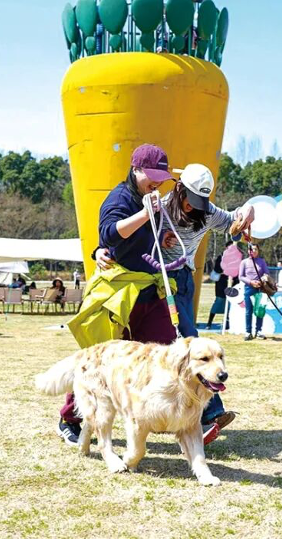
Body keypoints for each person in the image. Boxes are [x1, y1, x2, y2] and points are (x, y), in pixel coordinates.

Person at [59, 144, 186, 446]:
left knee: (163, 351)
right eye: (151, 176)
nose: (156, 182)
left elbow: (140, 238)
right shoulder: (121, 198)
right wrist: (144, 214)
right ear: (136, 169)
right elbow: (110, 235)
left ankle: (167, 415)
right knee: (98, 359)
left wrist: (162, 237)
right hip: (119, 294)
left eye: (161, 177)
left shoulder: (150, 198)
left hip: (148, 290)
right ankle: (70, 419)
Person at [157, 163, 253, 430]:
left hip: (185, 279)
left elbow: (233, 222)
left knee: (187, 342)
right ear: (179, 188)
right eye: (191, 199)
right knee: (185, 342)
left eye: (200, 201)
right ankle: (208, 413)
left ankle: (203, 414)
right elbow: (137, 238)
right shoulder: (160, 207)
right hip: (160, 281)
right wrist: (159, 240)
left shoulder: (207, 211)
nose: (194, 207)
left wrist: (248, 211)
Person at [239, 243, 270, 341]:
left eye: (256, 249)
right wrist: (251, 282)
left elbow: (266, 273)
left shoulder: (262, 261)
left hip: (260, 289)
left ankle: (259, 330)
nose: (254, 251)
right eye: (251, 249)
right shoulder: (244, 262)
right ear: (248, 251)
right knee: (249, 311)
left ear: (258, 250)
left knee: (260, 310)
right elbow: (241, 276)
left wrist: (261, 280)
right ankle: (248, 332)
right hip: (249, 289)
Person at [207, 243, 232, 330]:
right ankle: (209, 323)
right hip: (221, 284)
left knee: (229, 304)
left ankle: (227, 323)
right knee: (218, 302)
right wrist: (226, 271)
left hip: (230, 284)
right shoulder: (220, 257)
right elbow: (217, 269)